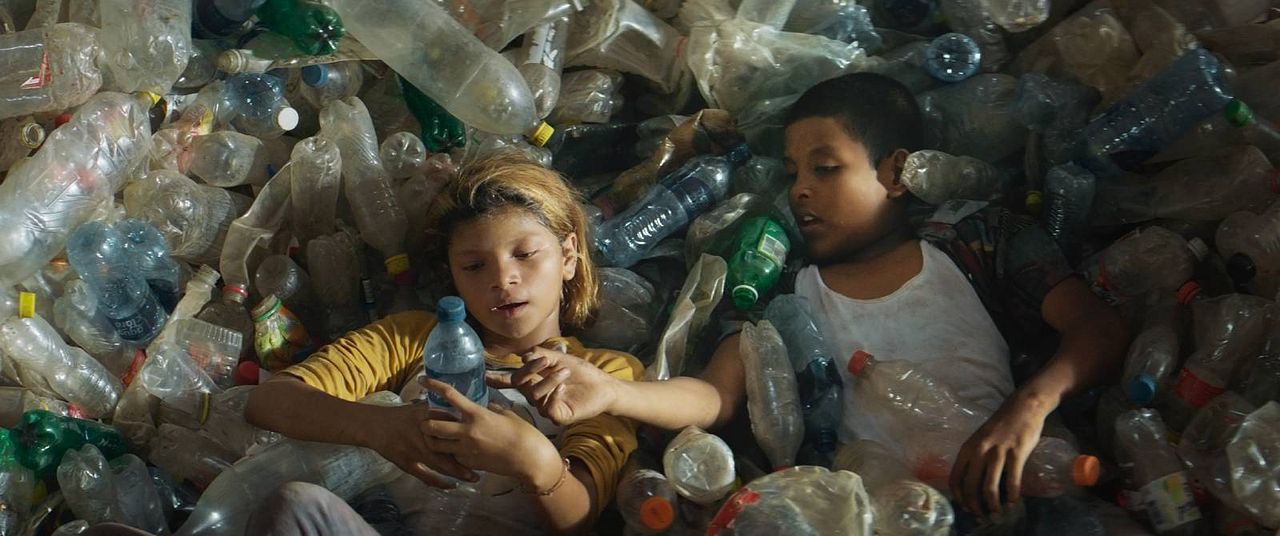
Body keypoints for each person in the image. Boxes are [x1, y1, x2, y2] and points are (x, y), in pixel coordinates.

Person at [492, 73, 1131, 522]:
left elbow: (1096, 330)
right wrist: (612, 392)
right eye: (794, 172)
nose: (800, 191)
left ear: (897, 172)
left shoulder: (975, 240)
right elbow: (715, 398)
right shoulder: (778, 292)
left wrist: (1028, 410)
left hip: (1012, 493)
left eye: (825, 169)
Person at [244, 152, 643, 535]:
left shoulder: (602, 374)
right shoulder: (414, 338)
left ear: (569, 256)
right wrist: (380, 427)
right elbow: (270, 401)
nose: (502, 279)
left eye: (524, 254)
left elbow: (579, 518)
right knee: (293, 506)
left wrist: (536, 462)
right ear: (453, 276)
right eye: (474, 266)